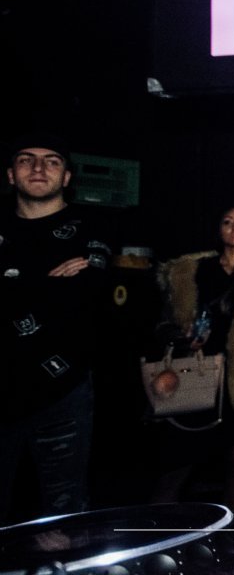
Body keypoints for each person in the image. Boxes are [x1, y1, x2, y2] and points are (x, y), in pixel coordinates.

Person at [0, 134, 112, 521]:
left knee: (63, 516)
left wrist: (17, 282)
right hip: (2, 388)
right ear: (10, 174)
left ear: (66, 177)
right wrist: (48, 283)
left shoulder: (92, 226)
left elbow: (89, 292)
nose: (38, 168)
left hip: (64, 390)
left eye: (51, 161)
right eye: (26, 159)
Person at [150, 206, 234, 509]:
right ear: (218, 229)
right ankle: (159, 533)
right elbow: (162, 325)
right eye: (228, 222)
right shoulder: (191, 270)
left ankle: (230, 532)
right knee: (175, 466)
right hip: (195, 375)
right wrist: (182, 336)